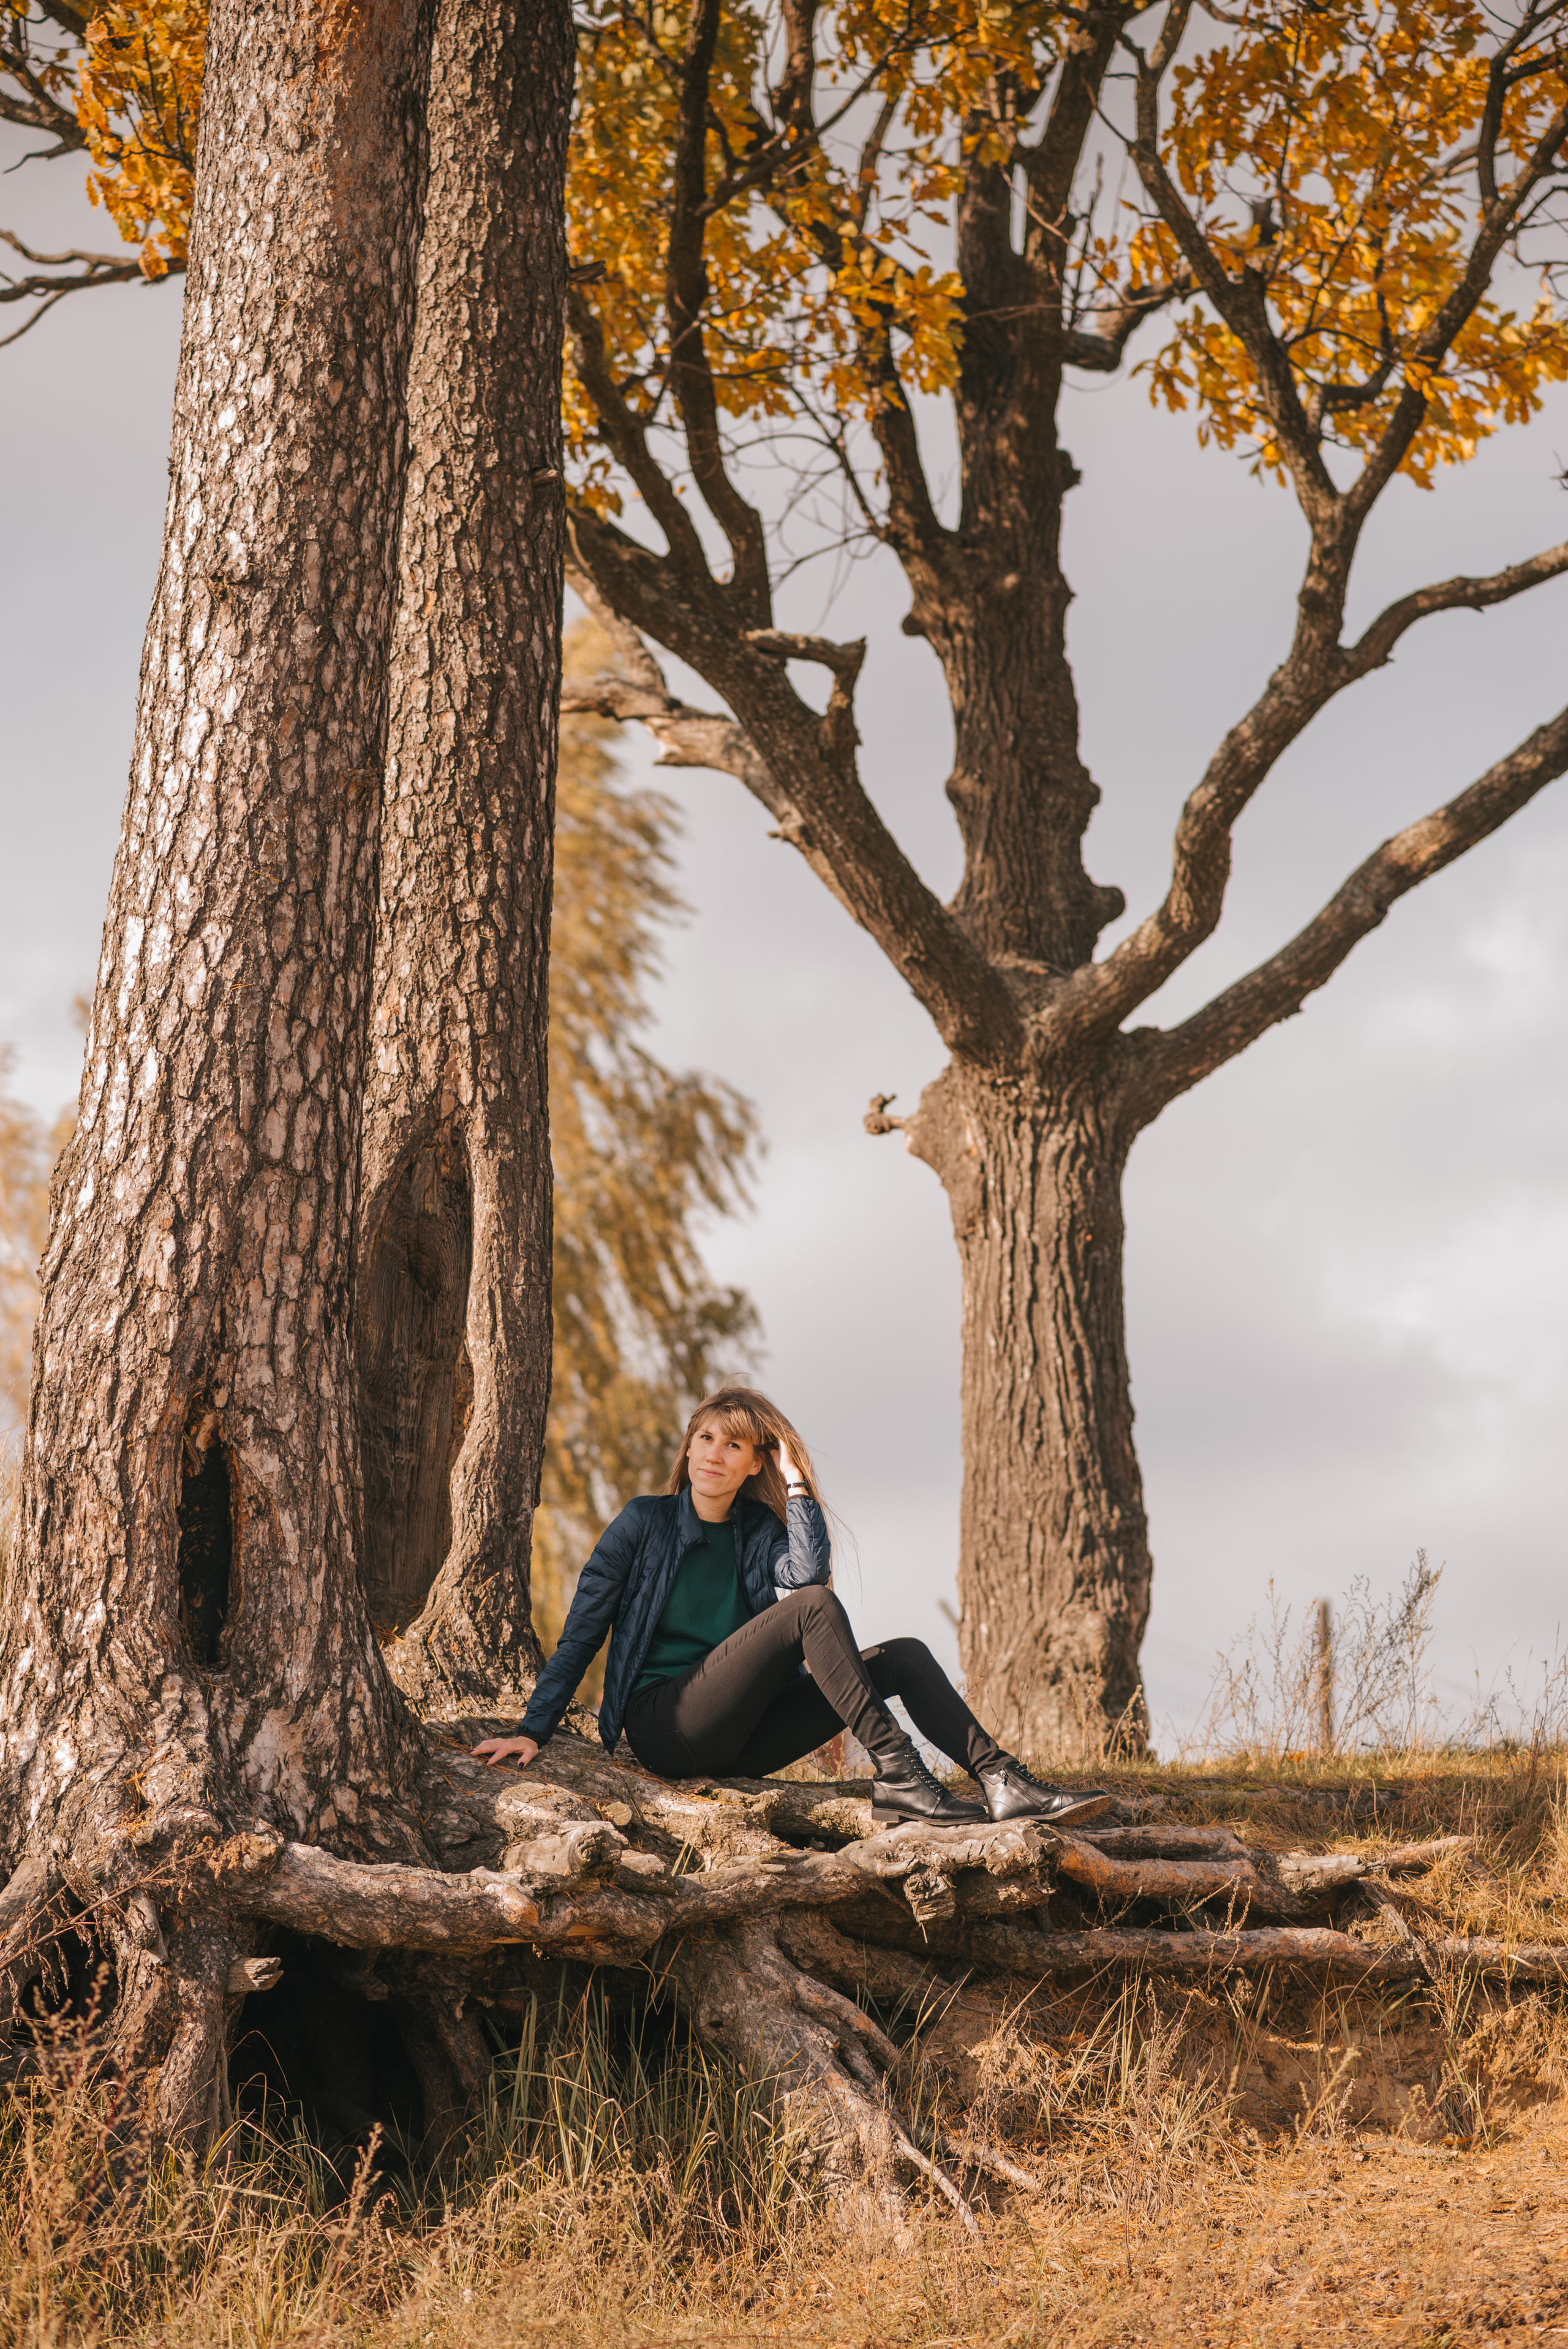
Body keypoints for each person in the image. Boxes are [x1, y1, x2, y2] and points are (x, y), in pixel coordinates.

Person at [472, 1386, 1112, 1829]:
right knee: (811, 1609)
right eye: (705, 1439)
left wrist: (799, 1483)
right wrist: (533, 1730)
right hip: (667, 1725)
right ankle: (900, 1775)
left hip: (745, 1738)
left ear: (756, 1463)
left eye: (734, 1447)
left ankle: (1003, 1782)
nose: (713, 1456)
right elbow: (583, 1633)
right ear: (688, 1448)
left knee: (905, 1657)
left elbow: (806, 1571)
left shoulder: (758, 1530)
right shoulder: (644, 1522)